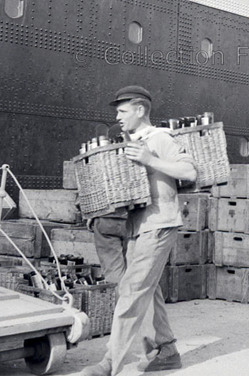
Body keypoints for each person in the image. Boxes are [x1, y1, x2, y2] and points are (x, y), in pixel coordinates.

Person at [81, 86, 197, 376]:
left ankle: (110, 364)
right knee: (149, 289)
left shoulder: (160, 138)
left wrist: (149, 159)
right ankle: (166, 350)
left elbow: (190, 172)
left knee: (131, 290)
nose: (118, 117)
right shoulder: (134, 141)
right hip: (138, 226)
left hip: (160, 223)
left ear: (140, 110)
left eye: (122, 111)